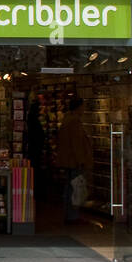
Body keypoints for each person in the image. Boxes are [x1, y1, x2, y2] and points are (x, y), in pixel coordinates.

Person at [55, 96, 90, 224]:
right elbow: (76, 143)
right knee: (75, 188)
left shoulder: (67, 119)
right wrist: (81, 160)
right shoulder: (74, 121)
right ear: (79, 107)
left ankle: (70, 214)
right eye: (83, 106)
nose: (84, 109)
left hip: (68, 159)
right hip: (73, 160)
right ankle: (72, 215)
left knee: (70, 187)